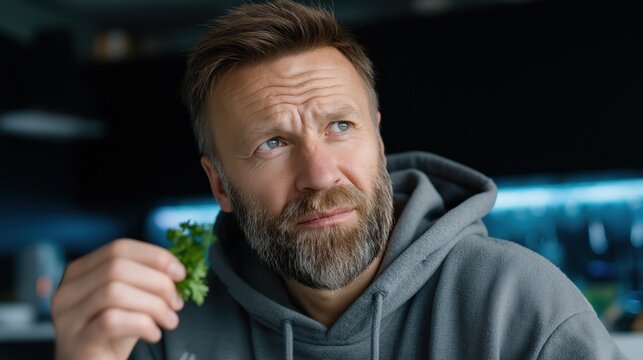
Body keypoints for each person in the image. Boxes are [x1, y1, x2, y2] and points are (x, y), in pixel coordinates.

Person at [51, 0, 629, 359]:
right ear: (220, 185)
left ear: (378, 141)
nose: (320, 174)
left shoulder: (521, 307)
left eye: (340, 126)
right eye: (272, 143)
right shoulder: (166, 329)